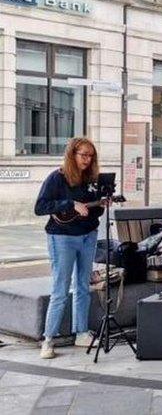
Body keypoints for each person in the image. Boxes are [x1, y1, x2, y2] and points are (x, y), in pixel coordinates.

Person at [34, 137, 106, 359]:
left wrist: (100, 204)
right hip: (62, 237)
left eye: (90, 156)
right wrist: (69, 204)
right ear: (72, 154)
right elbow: (40, 207)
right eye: (83, 155)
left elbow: (95, 211)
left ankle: (81, 332)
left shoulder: (91, 179)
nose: (87, 160)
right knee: (60, 289)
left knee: (83, 285)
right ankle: (48, 339)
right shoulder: (57, 177)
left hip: (88, 235)